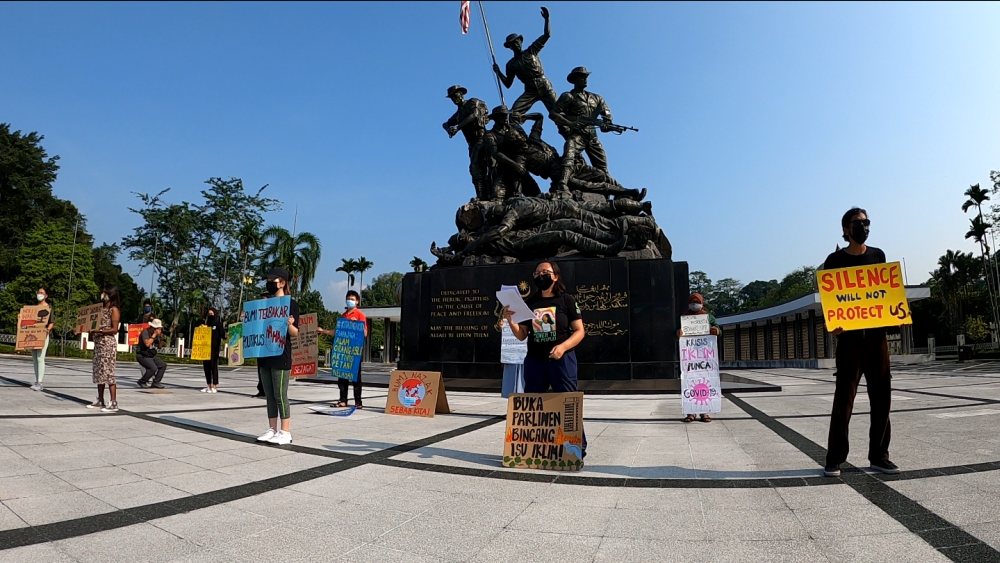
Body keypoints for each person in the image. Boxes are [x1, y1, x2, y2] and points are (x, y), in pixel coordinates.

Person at [822, 207, 898, 477]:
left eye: (866, 222)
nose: (863, 226)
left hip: (877, 338)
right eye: (857, 223)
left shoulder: (878, 256)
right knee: (844, 400)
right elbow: (830, 299)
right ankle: (834, 458)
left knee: (882, 399)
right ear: (845, 229)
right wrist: (834, 324)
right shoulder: (834, 260)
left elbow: (886, 293)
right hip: (850, 341)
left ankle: (879, 455)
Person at [505, 260, 587, 458]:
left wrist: (563, 347)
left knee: (567, 403)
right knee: (533, 404)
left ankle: (575, 450)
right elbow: (522, 334)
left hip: (562, 360)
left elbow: (579, 331)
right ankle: (534, 449)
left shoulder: (566, 300)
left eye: (545, 272)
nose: (541, 275)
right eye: (537, 273)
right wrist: (511, 320)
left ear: (555, 276)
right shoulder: (530, 303)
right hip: (535, 360)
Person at [255, 267, 300, 445]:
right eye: (268, 280)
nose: (269, 283)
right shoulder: (264, 304)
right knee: (269, 394)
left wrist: (289, 324)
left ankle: (285, 431)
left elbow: (295, 333)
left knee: (280, 393)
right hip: (265, 353)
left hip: (281, 353)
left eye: (273, 280)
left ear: (282, 282)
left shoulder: (291, 304)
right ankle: (272, 429)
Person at [677, 293, 721, 423]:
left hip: (704, 356)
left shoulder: (709, 317)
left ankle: (704, 412)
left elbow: (718, 328)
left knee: (705, 381)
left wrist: (716, 330)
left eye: (697, 302)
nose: (695, 304)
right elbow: (675, 333)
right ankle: (690, 412)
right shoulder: (685, 317)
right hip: (690, 358)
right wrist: (678, 333)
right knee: (689, 383)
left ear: (702, 303)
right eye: (693, 302)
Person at [319, 290, 368, 408]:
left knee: (356, 377)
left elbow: (365, 333)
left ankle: (358, 402)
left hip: (354, 350)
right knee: (342, 376)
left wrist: (357, 325)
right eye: (348, 299)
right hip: (343, 350)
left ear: (357, 301)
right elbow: (337, 332)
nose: (350, 301)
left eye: (352, 299)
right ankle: (343, 400)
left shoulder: (360, 315)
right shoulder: (343, 316)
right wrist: (323, 331)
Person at [87, 284, 121, 412]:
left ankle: (113, 402)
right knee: (99, 372)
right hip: (98, 344)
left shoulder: (114, 310)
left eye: (105, 293)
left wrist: (99, 330)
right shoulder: (100, 309)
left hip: (107, 344)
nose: (103, 295)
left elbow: (114, 329)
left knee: (108, 373)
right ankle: (100, 399)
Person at [29, 287, 56, 391]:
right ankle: (36, 381)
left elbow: (52, 322)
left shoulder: (48, 308)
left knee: (40, 358)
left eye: (41, 293)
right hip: (33, 334)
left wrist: (48, 329)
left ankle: (40, 382)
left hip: (43, 334)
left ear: (46, 296)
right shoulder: (34, 308)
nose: (39, 294)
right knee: (35, 358)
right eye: (38, 292)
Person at [137, 319, 167, 389]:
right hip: (142, 355)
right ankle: (142, 381)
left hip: (150, 355)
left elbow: (159, 347)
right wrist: (154, 334)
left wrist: (162, 339)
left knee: (162, 365)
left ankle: (156, 382)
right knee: (153, 368)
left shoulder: (156, 335)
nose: (159, 330)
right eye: (158, 328)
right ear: (153, 328)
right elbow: (147, 344)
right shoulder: (145, 332)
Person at [201, 307, 225, 393]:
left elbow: (223, 334)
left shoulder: (218, 324)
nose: (210, 315)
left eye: (212, 314)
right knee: (206, 367)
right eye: (209, 314)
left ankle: (215, 386)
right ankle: (208, 386)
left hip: (214, 349)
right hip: (205, 349)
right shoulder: (207, 324)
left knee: (213, 367)